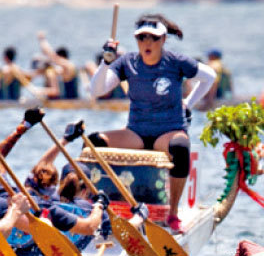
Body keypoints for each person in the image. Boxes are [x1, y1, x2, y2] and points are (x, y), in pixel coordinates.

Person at [88, 13, 216, 232]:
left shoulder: (175, 61)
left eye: (153, 38)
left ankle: (173, 213)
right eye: (142, 38)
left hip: (167, 133)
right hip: (136, 133)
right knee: (93, 142)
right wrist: (105, 63)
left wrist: (188, 103)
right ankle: (95, 208)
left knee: (181, 148)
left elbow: (210, 77)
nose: (147, 43)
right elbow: (97, 90)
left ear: (163, 40)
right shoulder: (127, 62)